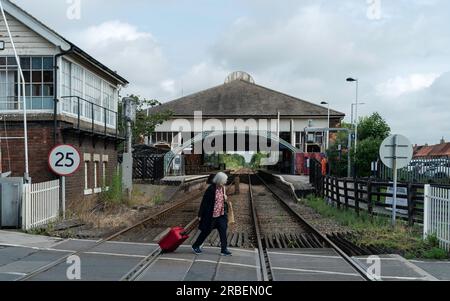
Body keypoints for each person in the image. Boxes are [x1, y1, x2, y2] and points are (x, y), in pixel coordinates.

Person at [192, 172, 232, 256]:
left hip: (221, 214)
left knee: (223, 231)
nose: (226, 182)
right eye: (224, 180)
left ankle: (224, 249)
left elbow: (222, 200)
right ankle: (196, 245)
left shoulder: (223, 188)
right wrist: (200, 215)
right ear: (219, 180)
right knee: (206, 231)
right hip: (212, 215)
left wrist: (225, 198)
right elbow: (204, 203)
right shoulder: (211, 189)